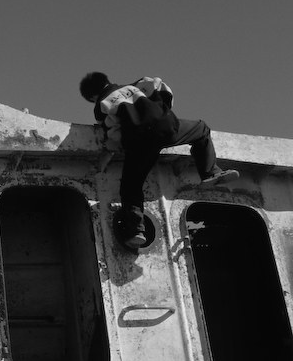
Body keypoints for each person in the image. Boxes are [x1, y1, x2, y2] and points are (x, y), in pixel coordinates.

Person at [79, 72, 239, 248]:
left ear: (93, 96)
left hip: (139, 142)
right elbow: (164, 90)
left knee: (131, 186)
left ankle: (136, 232)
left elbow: (113, 133)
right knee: (201, 129)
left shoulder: (103, 103)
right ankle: (210, 172)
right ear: (107, 81)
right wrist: (164, 111)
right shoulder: (140, 84)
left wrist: (108, 154)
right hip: (166, 128)